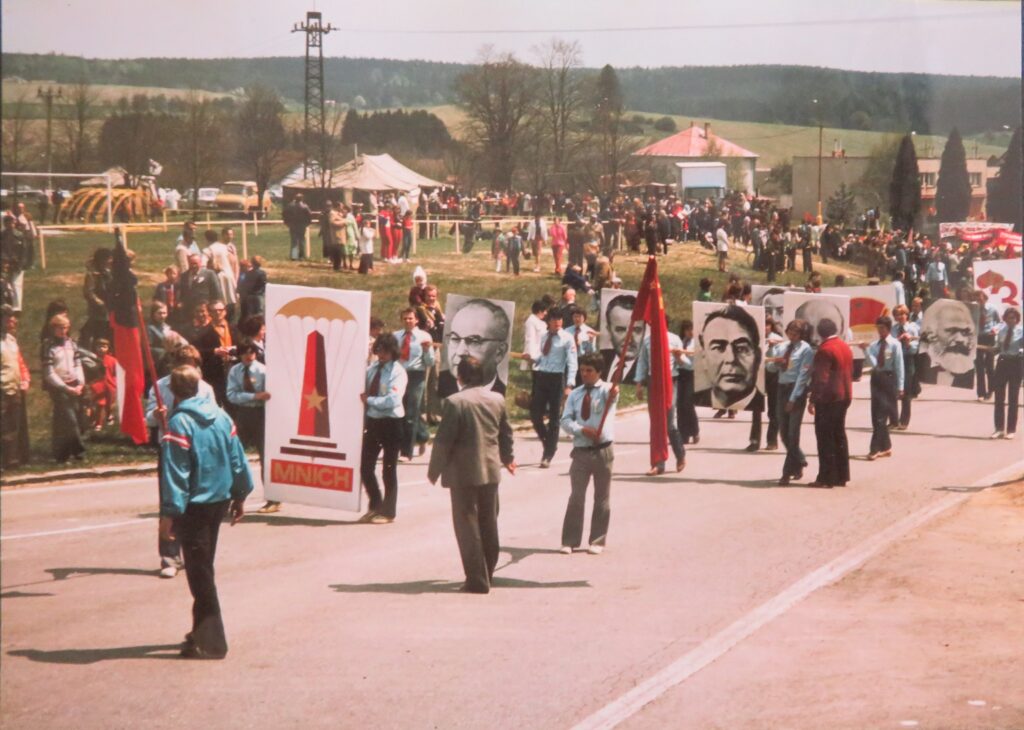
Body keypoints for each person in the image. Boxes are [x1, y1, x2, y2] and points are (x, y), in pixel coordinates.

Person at [159, 365, 253, 659]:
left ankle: (212, 642)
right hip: (218, 503)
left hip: (195, 507)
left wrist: (170, 514)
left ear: (174, 391)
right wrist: (240, 495)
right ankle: (199, 632)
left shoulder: (179, 424)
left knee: (200, 576)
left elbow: (177, 474)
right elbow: (238, 459)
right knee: (203, 570)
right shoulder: (222, 416)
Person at [427, 356, 516, 594]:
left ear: (461, 377)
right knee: (489, 521)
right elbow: (505, 433)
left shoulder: (456, 402)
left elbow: (444, 441)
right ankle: (488, 571)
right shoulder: (497, 399)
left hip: (463, 472)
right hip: (491, 469)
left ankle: (476, 579)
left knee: (467, 524)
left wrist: (434, 470)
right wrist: (508, 458)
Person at [146, 344, 216, 578]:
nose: (188, 371)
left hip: (197, 450)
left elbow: (212, 418)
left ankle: (194, 554)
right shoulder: (160, 386)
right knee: (170, 500)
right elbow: (148, 418)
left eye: (193, 365)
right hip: (169, 448)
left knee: (195, 504)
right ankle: (169, 557)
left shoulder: (205, 389)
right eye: (182, 365)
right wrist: (156, 415)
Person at [559, 352, 618, 554]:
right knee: (576, 496)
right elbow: (565, 420)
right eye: (582, 370)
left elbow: (613, 394)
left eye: (589, 371)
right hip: (581, 451)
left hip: (603, 451)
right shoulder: (575, 394)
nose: (584, 374)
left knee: (602, 497)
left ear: (599, 372)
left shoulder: (607, 391)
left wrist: (613, 391)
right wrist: (581, 430)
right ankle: (570, 540)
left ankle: (597, 540)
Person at [360, 334, 408, 524]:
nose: (381, 354)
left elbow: (393, 399)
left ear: (392, 351)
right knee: (365, 466)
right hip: (373, 422)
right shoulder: (372, 369)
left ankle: (389, 511)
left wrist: (370, 401)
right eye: (378, 350)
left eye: (385, 351)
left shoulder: (398, 372)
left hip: (392, 423)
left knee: (389, 469)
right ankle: (375, 503)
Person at [525, 310, 578, 468]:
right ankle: (548, 442)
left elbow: (572, 363)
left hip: (557, 378)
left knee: (555, 417)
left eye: (560, 319)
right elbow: (543, 356)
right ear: (548, 322)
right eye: (554, 319)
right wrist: (532, 358)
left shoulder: (567, 339)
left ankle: (548, 454)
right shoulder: (544, 336)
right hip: (542, 376)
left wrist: (569, 385)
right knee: (535, 414)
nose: (557, 322)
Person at [635, 318, 687, 475]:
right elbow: (642, 363)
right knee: (656, 423)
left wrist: (679, 357)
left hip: (670, 381)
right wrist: (639, 384)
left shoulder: (674, 339)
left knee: (669, 423)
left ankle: (680, 454)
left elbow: (685, 363)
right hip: (653, 382)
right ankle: (659, 463)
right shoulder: (647, 341)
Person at [226, 340, 273, 509]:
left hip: (261, 415)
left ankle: (272, 498)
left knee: (265, 456)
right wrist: (253, 396)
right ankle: (234, 496)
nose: (248, 356)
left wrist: (259, 397)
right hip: (243, 414)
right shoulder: (235, 371)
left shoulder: (263, 371)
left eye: (251, 353)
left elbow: (269, 395)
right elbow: (231, 395)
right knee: (235, 455)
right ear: (239, 355)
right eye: (245, 353)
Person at [808, 318, 853, 488]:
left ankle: (826, 477)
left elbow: (821, 379)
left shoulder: (824, 350)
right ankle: (842, 475)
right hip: (844, 395)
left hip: (828, 399)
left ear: (820, 332)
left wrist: (813, 399)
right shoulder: (844, 346)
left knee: (825, 438)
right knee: (839, 435)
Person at [767, 319, 814, 485]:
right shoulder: (781, 347)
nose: (793, 336)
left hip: (796, 390)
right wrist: (774, 357)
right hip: (782, 388)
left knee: (793, 432)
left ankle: (786, 472)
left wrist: (794, 398)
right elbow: (770, 368)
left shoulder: (805, 350)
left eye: (796, 334)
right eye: (790, 333)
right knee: (784, 431)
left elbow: (803, 376)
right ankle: (799, 460)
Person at [695, 305, 763, 411]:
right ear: (703, 357)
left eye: (741, 349)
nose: (731, 359)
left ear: (758, 357)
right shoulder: (696, 400)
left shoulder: (765, 404)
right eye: (718, 348)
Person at [439, 298, 510, 398]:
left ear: (500, 352)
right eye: (455, 339)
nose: (460, 351)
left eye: (474, 341)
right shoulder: (438, 386)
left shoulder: (500, 396)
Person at [41, 313, 86, 463]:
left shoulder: (72, 344)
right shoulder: (48, 346)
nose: (63, 331)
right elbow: (49, 373)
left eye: (66, 327)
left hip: (74, 383)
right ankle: (79, 450)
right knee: (70, 419)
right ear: (53, 328)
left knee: (63, 421)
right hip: (59, 387)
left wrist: (80, 383)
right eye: (60, 328)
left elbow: (77, 364)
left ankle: (61, 454)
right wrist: (65, 388)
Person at [394, 307, 435, 460]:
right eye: (405, 318)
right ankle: (423, 435)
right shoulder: (395, 336)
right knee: (400, 410)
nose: (408, 321)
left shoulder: (424, 336)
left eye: (410, 318)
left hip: (416, 376)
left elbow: (429, 362)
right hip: (398, 375)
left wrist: (426, 350)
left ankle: (406, 452)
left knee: (411, 413)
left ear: (416, 320)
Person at [864, 316, 905, 460]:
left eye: (882, 328)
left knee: (881, 416)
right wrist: (866, 351)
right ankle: (886, 446)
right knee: (876, 415)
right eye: (878, 328)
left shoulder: (894, 344)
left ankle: (874, 449)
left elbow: (899, 366)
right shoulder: (874, 345)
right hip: (876, 379)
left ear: (888, 328)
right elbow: (874, 363)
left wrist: (900, 386)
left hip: (889, 379)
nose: (880, 331)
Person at [918, 298, 977, 387]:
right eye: (951, 330)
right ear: (931, 333)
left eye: (964, 332)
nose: (960, 339)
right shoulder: (921, 368)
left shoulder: (968, 373)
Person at [1, 306, 31, 470]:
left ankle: (11, 460)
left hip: (14, 388)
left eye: (13, 317)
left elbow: (19, 362)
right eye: (8, 317)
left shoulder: (11, 340)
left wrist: (25, 379)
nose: (13, 320)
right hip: (2, 389)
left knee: (13, 426)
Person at [990, 307, 1022, 439]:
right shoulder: (1001, 331)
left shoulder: (1021, 331)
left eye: (1013, 318)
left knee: (1013, 398)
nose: (1011, 320)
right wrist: (994, 350)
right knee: (999, 398)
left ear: (1017, 319)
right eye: (1009, 318)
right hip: (1002, 363)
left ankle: (1011, 429)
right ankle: (999, 428)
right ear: (1005, 319)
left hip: (1016, 363)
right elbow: (999, 347)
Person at [891, 304, 920, 429]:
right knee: (893, 391)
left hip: (908, 359)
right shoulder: (893, 329)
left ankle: (904, 420)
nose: (900, 317)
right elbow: (891, 343)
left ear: (906, 315)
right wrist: (898, 339)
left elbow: (917, 345)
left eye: (902, 314)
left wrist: (908, 344)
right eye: (897, 314)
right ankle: (893, 420)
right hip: (896, 360)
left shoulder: (913, 328)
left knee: (906, 392)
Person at [81, 247, 113, 350]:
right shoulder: (92, 275)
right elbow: (89, 292)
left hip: (111, 309)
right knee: (100, 334)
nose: (110, 261)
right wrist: (101, 304)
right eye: (108, 259)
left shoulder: (110, 272)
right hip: (99, 312)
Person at [675, 319, 700, 445]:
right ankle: (683, 433)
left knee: (688, 403)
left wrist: (681, 357)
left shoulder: (695, 343)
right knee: (679, 404)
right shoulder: (680, 342)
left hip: (691, 373)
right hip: (680, 374)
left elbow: (690, 363)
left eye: (692, 329)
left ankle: (694, 431)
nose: (690, 332)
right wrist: (678, 358)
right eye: (688, 330)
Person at [86, 338, 117, 432]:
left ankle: (109, 414)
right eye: (99, 346)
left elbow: (116, 373)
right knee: (100, 404)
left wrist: (115, 383)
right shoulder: (92, 359)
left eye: (104, 347)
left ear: (108, 348)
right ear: (95, 348)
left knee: (109, 403)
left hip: (110, 385)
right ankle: (98, 423)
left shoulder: (112, 360)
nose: (101, 349)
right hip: (98, 385)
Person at [283, 193, 312, 261]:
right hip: (302, 226)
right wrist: (307, 223)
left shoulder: (290, 205)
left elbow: (284, 214)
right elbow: (309, 215)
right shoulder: (305, 206)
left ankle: (294, 256)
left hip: (293, 225)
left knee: (294, 241)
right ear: (302, 198)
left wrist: (287, 223)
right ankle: (301, 256)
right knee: (301, 240)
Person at [237, 255, 266, 321]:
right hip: (259, 295)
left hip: (250, 296)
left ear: (252, 263)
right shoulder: (262, 273)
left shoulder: (248, 273)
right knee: (259, 313)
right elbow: (264, 284)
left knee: (250, 314)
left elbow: (246, 285)